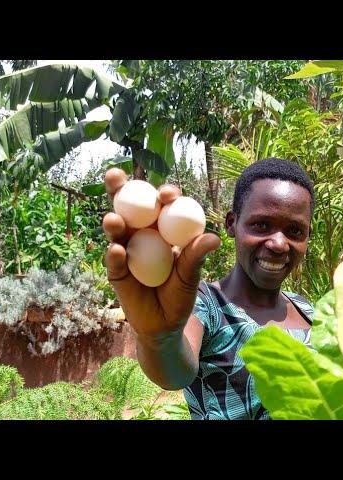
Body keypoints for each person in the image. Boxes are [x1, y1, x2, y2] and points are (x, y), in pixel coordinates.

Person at [102, 157, 315, 420]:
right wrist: (160, 340)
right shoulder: (207, 305)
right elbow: (175, 373)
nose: (279, 243)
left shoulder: (308, 310)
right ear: (231, 223)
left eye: (295, 231)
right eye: (261, 225)